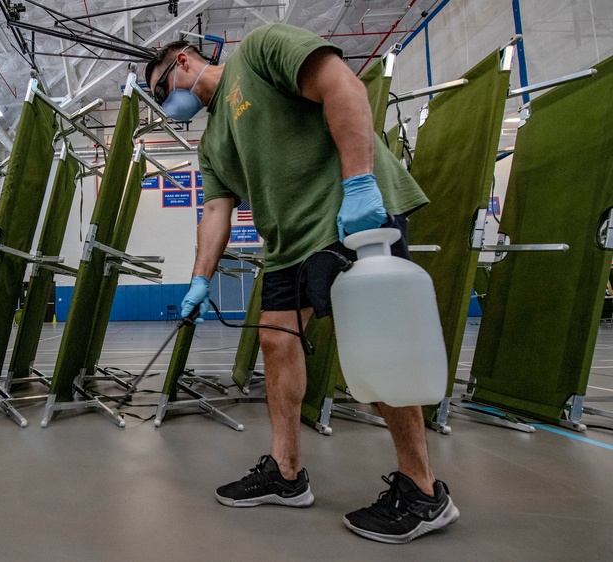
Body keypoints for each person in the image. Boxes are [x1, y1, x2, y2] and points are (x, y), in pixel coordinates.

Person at [144, 23, 459, 544]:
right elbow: (216, 213)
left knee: (376, 341)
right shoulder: (212, 142)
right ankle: (287, 474)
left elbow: (342, 87)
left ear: (182, 60)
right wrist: (199, 281)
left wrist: (359, 183)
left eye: (160, 90)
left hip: (345, 214)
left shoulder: (260, 51)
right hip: (288, 245)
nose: (164, 103)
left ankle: (424, 491)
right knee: (275, 338)